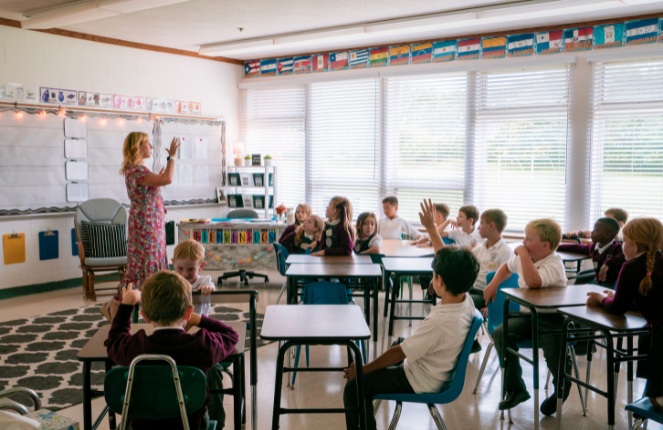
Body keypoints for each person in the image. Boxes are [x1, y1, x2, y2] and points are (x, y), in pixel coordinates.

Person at [342, 247, 479, 430]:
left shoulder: (440, 323)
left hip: (419, 379)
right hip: (437, 370)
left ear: (440, 280)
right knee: (397, 344)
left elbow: (400, 353)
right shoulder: (465, 300)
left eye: (434, 275)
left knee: (354, 386)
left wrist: (363, 369)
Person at [105, 271, 239, 430]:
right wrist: (200, 319)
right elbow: (231, 335)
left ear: (145, 316)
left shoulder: (135, 347)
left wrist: (127, 303)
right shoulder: (202, 345)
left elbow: (114, 340)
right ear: (189, 312)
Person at [483, 218, 569, 416]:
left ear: (545, 246)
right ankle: (516, 388)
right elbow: (505, 267)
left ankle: (561, 389)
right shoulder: (526, 257)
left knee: (555, 355)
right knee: (500, 334)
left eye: (528, 239)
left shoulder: (553, 263)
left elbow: (534, 282)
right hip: (529, 316)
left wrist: (523, 256)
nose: (523, 243)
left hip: (552, 319)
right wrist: (493, 284)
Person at [586, 217, 663, 411]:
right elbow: (653, 299)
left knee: (656, 400)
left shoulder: (630, 267)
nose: (622, 246)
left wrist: (600, 299)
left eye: (624, 241)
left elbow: (617, 308)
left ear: (634, 246)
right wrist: (621, 296)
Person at [420, 200, 511, 352]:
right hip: (471, 289)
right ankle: (460, 339)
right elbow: (454, 262)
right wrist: (436, 277)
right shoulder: (481, 248)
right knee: (452, 294)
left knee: (455, 302)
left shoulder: (505, 251)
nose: (479, 226)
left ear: (492, 226)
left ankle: (465, 340)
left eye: (481, 223)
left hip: (487, 296)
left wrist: (493, 305)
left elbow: (508, 281)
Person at [172, 239, 230, 426]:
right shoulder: (171, 280)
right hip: (177, 335)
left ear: (201, 267)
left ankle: (216, 422)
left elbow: (210, 287)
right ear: (173, 263)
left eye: (191, 270)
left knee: (212, 371)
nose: (185, 274)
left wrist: (208, 289)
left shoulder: (204, 282)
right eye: (180, 269)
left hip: (200, 336)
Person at [121, 132, 180, 290]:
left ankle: (142, 298)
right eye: (147, 142)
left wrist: (157, 179)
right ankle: (150, 296)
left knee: (147, 259)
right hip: (146, 226)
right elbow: (167, 179)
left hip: (148, 224)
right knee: (149, 259)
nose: (151, 146)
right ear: (137, 147)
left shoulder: (136, 170)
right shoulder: (138, 170)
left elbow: (156, 184)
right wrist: (172, 157)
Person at [558, 217, 625, 286]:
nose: (592, 232)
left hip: (612, 284)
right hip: (598, 279)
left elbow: (624, 255)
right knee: (581, 276)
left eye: (595, 230)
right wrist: (556, 247)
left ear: (607, 235)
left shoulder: (618, 247)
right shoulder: (594, 247)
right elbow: (576, 247)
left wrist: (607, 263)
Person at [563, 207, 628, 240]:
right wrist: (579, 232)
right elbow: (589, 232)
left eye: (609, 220)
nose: (606, 222)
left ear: (621, 223)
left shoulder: (623, 238)